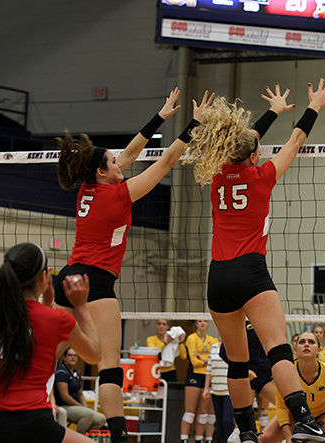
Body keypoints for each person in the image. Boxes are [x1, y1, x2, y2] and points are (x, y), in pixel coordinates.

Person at [185, 79, 325, 443]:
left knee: (237, 363)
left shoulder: (218, 174)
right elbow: (296, 140)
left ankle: (246, 434)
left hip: (218, 277)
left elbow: (244, 142)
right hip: (250, 270)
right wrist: (314, 105)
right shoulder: (262, 175)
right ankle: (304, 422)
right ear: (254, 156)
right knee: (278, 349)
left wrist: (271, 112)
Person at [53, 88, 213, 443]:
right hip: (95, 282)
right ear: (102, 170)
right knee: (109, 366)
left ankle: (26, 408)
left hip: (67, 278)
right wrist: (194, 124)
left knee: (48, 354)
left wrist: (161, 117)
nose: (120, 163)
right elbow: (168, 161)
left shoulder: (88, 189)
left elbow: (128, 153)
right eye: (113, 162)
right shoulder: (119, 194)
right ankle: (119, 437)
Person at [0, 242, 101, 443]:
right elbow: (94, 354)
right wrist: (81, 306)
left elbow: (26, 330)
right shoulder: (57, 320)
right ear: (43, 278)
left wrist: (45, 304)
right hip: (33, 422)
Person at [260, 331, 325, 443]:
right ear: (295, 349)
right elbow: (281, 407)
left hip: (322, 414)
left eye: (311, 342)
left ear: (319, 349)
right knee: (264, 438)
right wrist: (287, 437)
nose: (306, 344)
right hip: (295, 415)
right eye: (302, 342)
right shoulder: (287, 373)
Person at [182, 320, 219, 443]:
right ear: (196, 324)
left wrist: (202, 358)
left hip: (209, 376)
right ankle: (184, 439)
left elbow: (217, 359)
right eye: (199, 321)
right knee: (190, 411)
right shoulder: (191, 338)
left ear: (208, 324)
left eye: (204, 321)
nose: (202, 323)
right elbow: (195, 362)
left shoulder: (213, 340)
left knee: (206, 413)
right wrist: (208, 359)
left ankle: (202, 439)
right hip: (194, 375)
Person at [54, 347, 107, 433]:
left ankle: (85, 437)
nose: (73, 357)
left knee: (101, 419)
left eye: (75, 356)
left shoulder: (76, 373)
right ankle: (77, 438)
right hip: (64, 406)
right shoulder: (61, 373)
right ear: (64, 357)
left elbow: (80, 393)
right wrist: (80, 406)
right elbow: (65, 396)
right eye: (70, 355)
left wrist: (85, 407)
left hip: (76, 406)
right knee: (87, 414)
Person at [147, 318, 186, 382]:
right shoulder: (151, 339)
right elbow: (154, 352)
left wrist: (180, 342)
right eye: (159, 324)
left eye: (164, 324)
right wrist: (166, 342)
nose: (161, 326)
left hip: (171, 371)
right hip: (156, 370)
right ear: (156, 326)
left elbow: (183, 356)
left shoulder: (173, 339)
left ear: (168, 327)